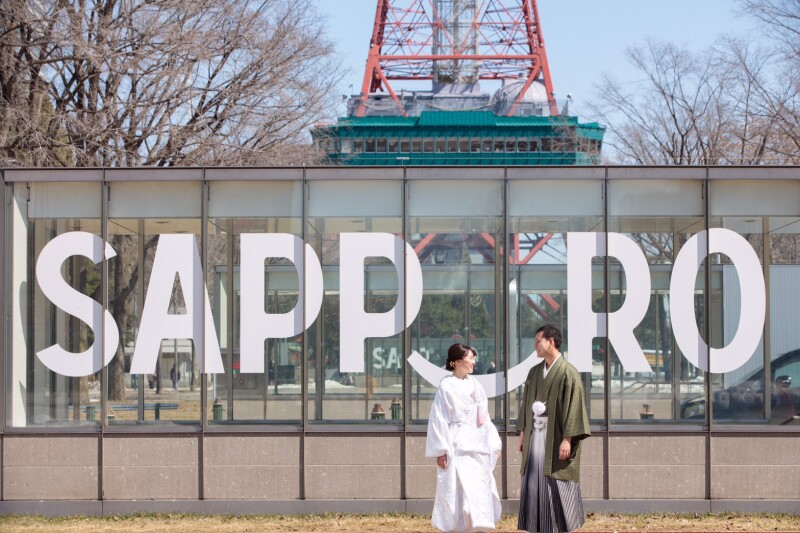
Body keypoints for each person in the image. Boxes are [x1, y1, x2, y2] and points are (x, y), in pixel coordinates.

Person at [517, 325, 590, 533]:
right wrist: (523, 433)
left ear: (551, 341)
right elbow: (526, 404)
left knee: (558, 478)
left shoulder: (569, 373)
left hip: (556, 435)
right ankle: (536, 525)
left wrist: (568, 438)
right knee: (534, 479)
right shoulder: (534, 372)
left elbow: (574, 406)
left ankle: (560, 526)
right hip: (535, 434)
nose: (535, 345)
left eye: (538, 340)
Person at [426, 343, 502, 532]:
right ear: (458, 362)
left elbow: (485, 417)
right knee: (457, 491)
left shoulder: (475, 384)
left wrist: (493, 442)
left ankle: (479, 525)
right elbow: (439, 419)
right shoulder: (446, 387)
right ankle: (459, 527)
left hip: (478, 444)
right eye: (470, 358)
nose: (473, 362)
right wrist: (441, 450)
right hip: (457, 445)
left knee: (479, 487)